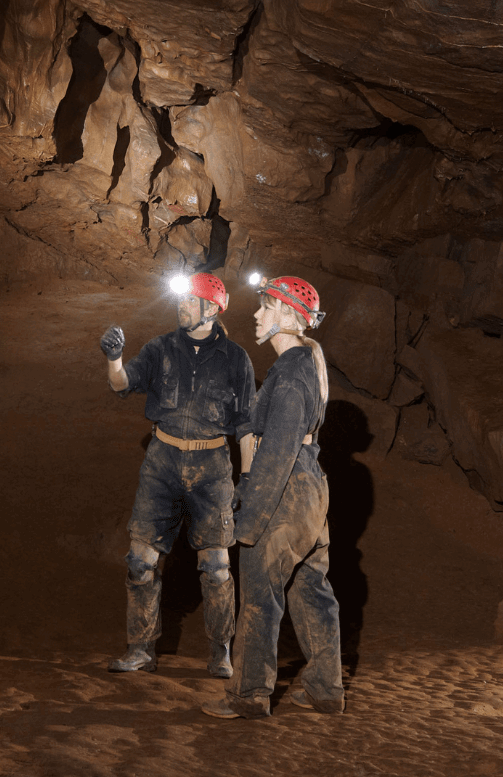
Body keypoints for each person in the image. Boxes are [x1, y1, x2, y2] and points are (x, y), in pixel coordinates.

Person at [99, 272, 256, 678]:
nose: (181, 306)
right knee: (140, 562)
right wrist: (114, 358)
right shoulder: (160, 349)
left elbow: (246, 425)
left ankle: (221, 652)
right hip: (162, 462)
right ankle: (140, 649)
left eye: (189, 300)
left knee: (217, 567)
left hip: (212, 468)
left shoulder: (235, 359)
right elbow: (121, 384)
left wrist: (248, 478)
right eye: (181, 299)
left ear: (211, 308)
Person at [202, 274, 345, 718]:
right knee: (312, 591)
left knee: (260, 597)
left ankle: (248, 696)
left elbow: (277, 452)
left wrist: (249, 517)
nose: (257, 314)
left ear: (287, 315)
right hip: (312, 490)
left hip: (286, 491)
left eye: (266, 307)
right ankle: (325, 690)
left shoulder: (290, 376)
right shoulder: (303, 367)